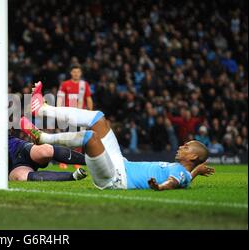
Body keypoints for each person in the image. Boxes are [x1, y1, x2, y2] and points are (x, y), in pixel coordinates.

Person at [22, 81, 214, 191]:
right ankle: (43, 109)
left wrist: (160, 187)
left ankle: (43, 137)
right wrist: (197, 171)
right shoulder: (185, 173)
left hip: (115, 178)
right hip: (120, 163)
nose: (182, 146)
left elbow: (174, 182)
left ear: (193, 157)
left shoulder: (179, 175)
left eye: (187, 147)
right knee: (98, 118)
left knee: (90, 138)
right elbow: (186, 177)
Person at [56, 65, 93, 170]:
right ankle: (63, 161)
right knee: (66, 137)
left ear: (80, 73)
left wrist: (89, 114)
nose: (76, 73)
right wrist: (59, 111)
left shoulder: (84, 85)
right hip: (68, 115)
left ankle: (76, 161)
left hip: (80, 115)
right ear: (71, 73)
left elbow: (88, 98)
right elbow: (60, 98)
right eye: (74, 71)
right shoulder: (65, 84)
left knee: (79, 138)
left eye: (78, 72)